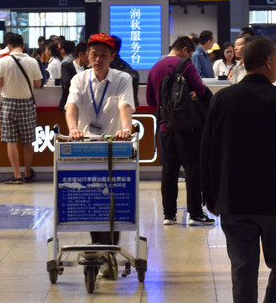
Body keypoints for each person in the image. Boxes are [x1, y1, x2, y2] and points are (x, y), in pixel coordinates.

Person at [201, 35, 276, 303]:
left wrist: (210, 195)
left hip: (234, 200)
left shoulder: (222, 100)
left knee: (242, 268)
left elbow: (208, 152)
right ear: (269, 62)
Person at [65, 33, 136, 265]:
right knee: (91, 197)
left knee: (114, 198)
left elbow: (125, 105)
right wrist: (73, 129)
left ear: (112, 56)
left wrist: (126, 129)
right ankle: (98, 247)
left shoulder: (122, 78)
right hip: (85, 147)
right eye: (93, 55)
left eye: (103, 56)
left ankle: (111, 252)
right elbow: (71, 106)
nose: (98, 60)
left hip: (113, 146)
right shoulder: (79, 79)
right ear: (87, 55)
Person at [145, 36, 212, 226]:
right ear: (184, 49)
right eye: (189, 52)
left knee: (169, 170)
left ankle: (169, 215)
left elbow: (150, 100)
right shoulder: (186, 65)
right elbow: (199, 90)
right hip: (189, 126)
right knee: (192, 169)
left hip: (166, 126)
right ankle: (195, 214)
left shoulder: (155, 67)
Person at [0, 33, 42, 184]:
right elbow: (38, 84)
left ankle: (16, 175)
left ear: (8, 46)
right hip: (27, 103)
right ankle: (27, 172)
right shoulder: (33, 61)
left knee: (11, 141)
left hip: (8, 103)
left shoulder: (3, 61)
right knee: (28, 141)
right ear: (22, 45)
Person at [58, 41, 87, 111]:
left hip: (84, 106)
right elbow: (67, 82)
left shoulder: (88, 68)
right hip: (68, 104)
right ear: (81, 55)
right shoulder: (66, 66)